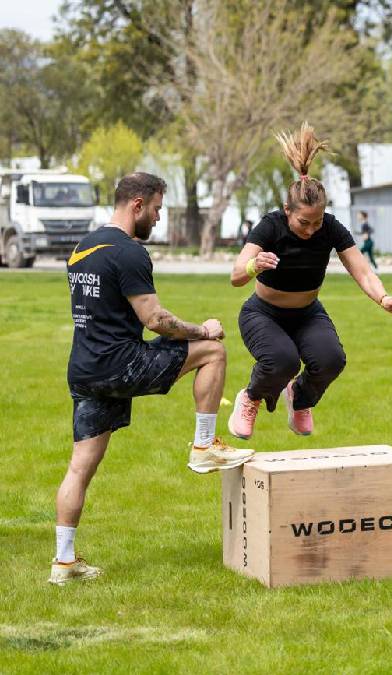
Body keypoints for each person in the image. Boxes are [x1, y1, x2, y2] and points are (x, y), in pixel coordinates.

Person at [54, 172, 253, 586]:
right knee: (213, 352)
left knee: (79, 468)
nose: (160, 218)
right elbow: (156, 320)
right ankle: (203, 445)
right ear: (138, 205)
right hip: (119, 363)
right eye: (158, 208)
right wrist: (203, 330)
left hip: (85, 369)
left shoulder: (82, 247)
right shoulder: (129, 252)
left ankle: (64, 563)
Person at [227, 123, 392, 440]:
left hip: (307, 313)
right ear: (287, 210)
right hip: (263, 313)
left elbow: (363, 271)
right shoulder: (271, 226)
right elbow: (236, 275)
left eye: (317, 221)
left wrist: (384, 300)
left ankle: (300, 399)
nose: (312, 229)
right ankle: (250, 398)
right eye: (303, 221)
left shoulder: (331, 227)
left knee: (331, 360)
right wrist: (256, 264)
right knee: (282, 360)